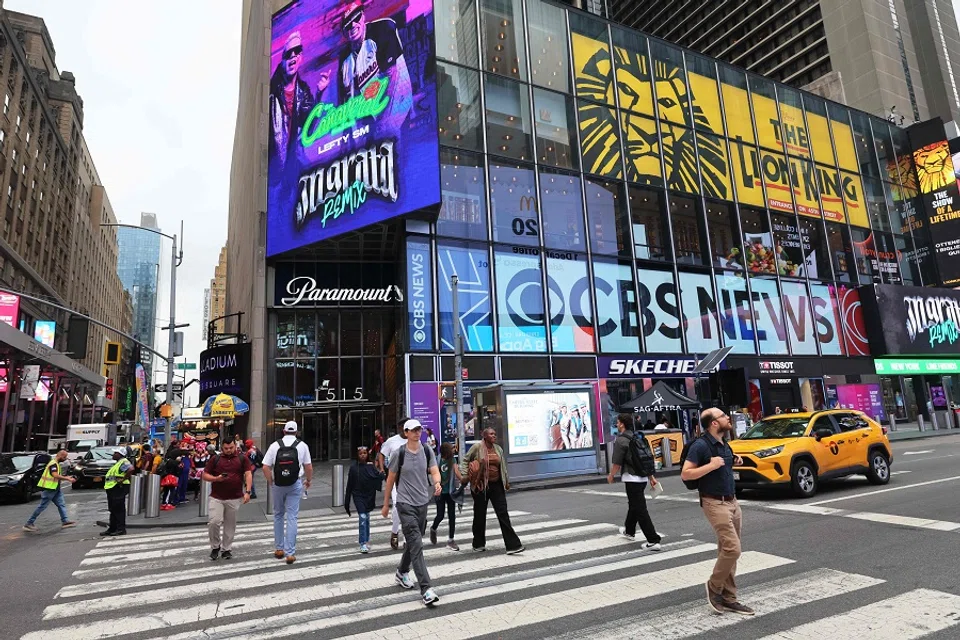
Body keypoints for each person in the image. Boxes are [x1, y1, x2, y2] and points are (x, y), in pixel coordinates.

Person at [681, 408, 753, 616]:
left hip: (732, 502)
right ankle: (714, 586)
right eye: (723, 416)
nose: (727, 418)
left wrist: (734, 459)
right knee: (733, 549)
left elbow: (724, 463)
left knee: (728, 551)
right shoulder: (701, 446)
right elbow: (686, 474)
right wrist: (711, 466)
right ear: (713, 423)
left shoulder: (724, 443)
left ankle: (730, 598)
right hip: (715, 503)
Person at [381, 419, 442, 606]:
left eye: (419, 430)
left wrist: (437, 482)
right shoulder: (399, 453)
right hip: (405, 504)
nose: (417, 433)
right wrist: (386, 505)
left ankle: (401, 572)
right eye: (413, 430)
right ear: (406, 432)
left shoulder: (426, 450)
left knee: (414, 542)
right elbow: (390, 480)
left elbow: (434, 470)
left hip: (422, 503)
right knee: (416, 544)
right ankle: (426, 589)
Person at [461, 427, 523, 555]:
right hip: (481, 486)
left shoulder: (498, 449)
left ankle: (513, 545)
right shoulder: (477, 448)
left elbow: (503, 466)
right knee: (479, 515)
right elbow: (465, 460)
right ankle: (478, 543)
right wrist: (465, 475)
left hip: (496, 485)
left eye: (495, 433)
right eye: (491, 434)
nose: (494, 436)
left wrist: (505, 481)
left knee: (503, 514)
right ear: (485, 436)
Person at [607, 414, 661, 550]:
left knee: (640, 508)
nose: (617, 424)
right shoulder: (638, 437)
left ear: (622, 424)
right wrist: (651, 477)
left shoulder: (621, 440)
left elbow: (617, 462)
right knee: (634, 504)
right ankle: (629, 531)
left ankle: (653, 540)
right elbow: (645, 458)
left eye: (618, 422)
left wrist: (611, 475)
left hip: (631, 478)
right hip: (642, 477)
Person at [262, 421, 313, 564]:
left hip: (278, 484)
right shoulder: (302, 446)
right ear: (296, 432)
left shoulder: (275, 445)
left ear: (284, 431)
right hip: (295, 483)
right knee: (292, 517)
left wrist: (271, 481)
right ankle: (290, 553)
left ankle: (279, 548)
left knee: (278, 514)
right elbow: (308, 467)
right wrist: (308, 480)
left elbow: (265, 466)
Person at [202, 439, 253, 561]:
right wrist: (216, 479)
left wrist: (248, 491)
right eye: (226, 448)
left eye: (231, 447)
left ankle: (226, 549)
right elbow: (204, 475)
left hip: (234, 497)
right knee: (214, 521)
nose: (229, 450)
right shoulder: (215, 459)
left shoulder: (242, 458)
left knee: (230, 525)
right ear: (222, 447)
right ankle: (215, 546)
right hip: (216, 497)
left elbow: (248, 474)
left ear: (235, 446)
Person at [23, 450, 76, 532]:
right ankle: (29, 523)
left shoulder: (55, 463)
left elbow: (55, 476)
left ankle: (65, 521)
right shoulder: (53, 464)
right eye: (64, 457)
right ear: (60, 455)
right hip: (49, 489)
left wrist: (66, 477)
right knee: (42, 506)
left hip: (55, 488)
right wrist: (67, 478)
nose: (65, 459)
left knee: (61, 504)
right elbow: (54, 475)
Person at [345, 446, 383, 553]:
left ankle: (366, 540)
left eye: (365, 453)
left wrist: (381, 472)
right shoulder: (353, 468)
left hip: (368, 495)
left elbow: (377, 477)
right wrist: (346, 502)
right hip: (358, 495)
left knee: (366, 517)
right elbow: (349, 485)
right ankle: (362, 543)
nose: (363, 455)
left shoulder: (370, 467)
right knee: (362, 516)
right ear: (357, 455)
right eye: (361, 453)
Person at [377, 420, 408, 550]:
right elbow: (381, 454)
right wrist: (382, 468)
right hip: (395, 478)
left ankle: (407, 538)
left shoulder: (414, 441)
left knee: (408, 510)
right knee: (396, 507)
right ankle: (395, 532)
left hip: (410, 480)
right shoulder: (392, 441)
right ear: (400, 428)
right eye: (405, 428)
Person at [429, 442, 463, 551]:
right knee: (440, 515)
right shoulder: (437, 459)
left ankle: (451, 540)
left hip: (450, 492)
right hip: (440, 492)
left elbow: (457, 472)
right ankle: (433, 528)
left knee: (452, 516)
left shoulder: (452, 460)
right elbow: (432, 471)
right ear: (446, 450)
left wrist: (464, 480)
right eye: (451, 448)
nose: (453, 450)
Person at [101, 449, 135, 537]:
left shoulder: (124, 461)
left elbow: (131, 469)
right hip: (113, 488)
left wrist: (123, 479)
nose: (113, 454)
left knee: (118, 509)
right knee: (113, 509)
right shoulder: (118, 463)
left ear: (120, 454)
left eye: (115, 453)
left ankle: (120, 529)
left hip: (118, 487)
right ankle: (112, 528)